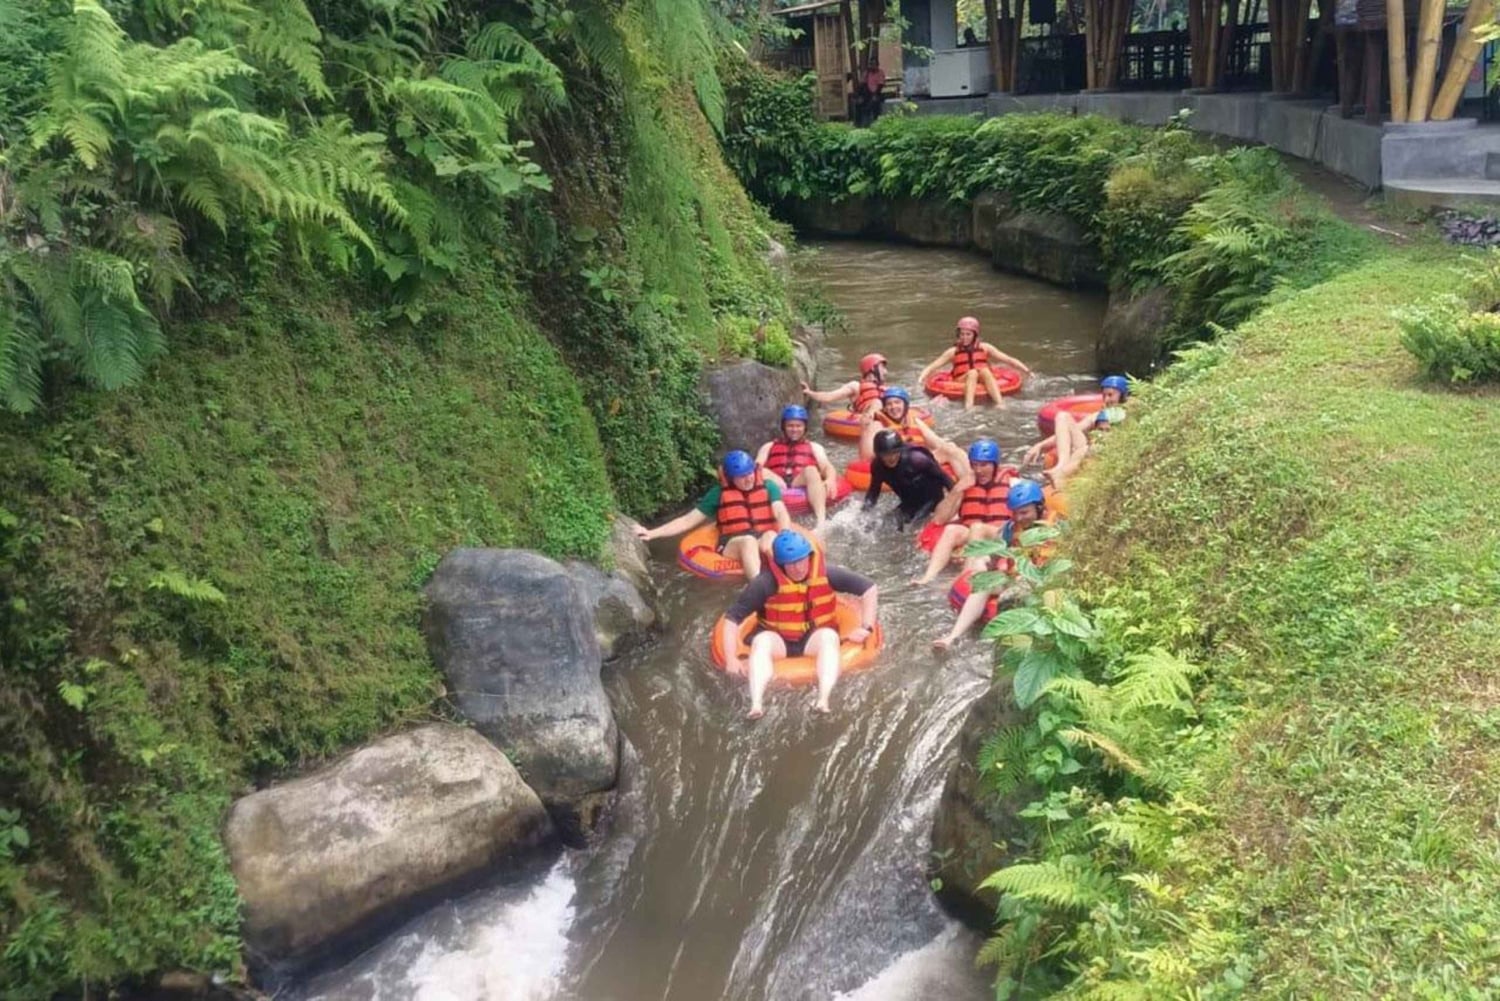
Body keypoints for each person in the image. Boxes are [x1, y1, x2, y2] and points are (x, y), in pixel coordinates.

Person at [719, 529, 879, 718]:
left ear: (809, 557)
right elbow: (732, 619)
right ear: (780, 564)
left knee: (829, 637)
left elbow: (870, 588)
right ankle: (756, 705)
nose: (798, 567)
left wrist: (866, 626)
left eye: (802, 560)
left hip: (813, 638)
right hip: (778, 640)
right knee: (761, 642)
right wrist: (731, 658)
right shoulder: (764, 583)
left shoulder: (827, 573)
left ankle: (823, 700)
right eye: (791, 563)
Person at [933, 479, 1052, 650]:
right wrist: (984, 569)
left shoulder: (1053, 530)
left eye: (1024, 512)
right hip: (1017, 578)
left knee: (1009, 596)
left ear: (1039, 508)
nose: (1019, 518)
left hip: (1042, 583)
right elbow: (994, 559)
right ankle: (952, 636)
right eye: (1016, 513)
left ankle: (1010, 645)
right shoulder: (1010, 529)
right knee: (984, 583)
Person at [635, 450, 791, 580]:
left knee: (771, 535)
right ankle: (758, 589)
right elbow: (687, 520)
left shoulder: (768, 486)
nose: (748, 479)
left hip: (762, 537)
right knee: (748, 541)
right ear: (731, 478)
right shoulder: (718, 494)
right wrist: (651, 533)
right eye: (742, 476)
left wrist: (785, 533)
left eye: (750, 473)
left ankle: (782, 579)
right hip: (733, 543)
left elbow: (780, 510)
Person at [910, 437, 1014, 586]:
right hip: (973, 534)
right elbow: (939, 520)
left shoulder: (1012, 483)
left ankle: (965, 576)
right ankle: (928, 577)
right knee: (952, 530)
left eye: (984, 465)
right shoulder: (966, 485)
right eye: (975, 465)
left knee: (978, 528)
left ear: (995, 465)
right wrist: (957, 489)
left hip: (999, 534)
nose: (978, 470)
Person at [1024, 376, 1129, 488]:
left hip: (1105, 454)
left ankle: (1062, 474)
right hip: (1089, 449)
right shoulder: (1098, 415)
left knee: (1088, 449)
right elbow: (1068, 433)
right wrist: (1040, 445)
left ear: (1122, 396)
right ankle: (1061, 466)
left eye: (1111, 395)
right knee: (1062, 417)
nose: (1106, 400)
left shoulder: (1130, 414)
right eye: (1104, 395)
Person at [917, 316, 1034, 410]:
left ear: (975, 335)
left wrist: (1026, 370)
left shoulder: (985, 347)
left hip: (981, 376)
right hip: (962, 378)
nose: (965, 337)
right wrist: (921, 377)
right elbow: (933, 365)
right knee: (973, 372)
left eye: (968, 334)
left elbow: (1008, 359)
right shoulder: (953, 351)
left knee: (983, 370)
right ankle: (969, 406)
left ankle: (1000, 403)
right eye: (962, 334)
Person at [755, 405, 840, 532]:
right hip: (778, 483)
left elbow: (827, 466)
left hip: (799, 480)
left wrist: (830, 479)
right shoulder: (769, 446)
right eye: (790, 425)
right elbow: (757, 466)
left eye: (798, 425)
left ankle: (821, 522)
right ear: (783, 427)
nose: (794, 429)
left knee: (811, 469)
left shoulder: (815, 447)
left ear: (805, 427)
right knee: (760, 470)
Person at [862, 429, 955, 530]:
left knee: (911, 526)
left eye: (895, 452)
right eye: (886, 454)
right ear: (879, 455)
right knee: (879, 526)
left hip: (932, 500)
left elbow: (944, 478)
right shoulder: (877, 467)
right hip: (909, 502)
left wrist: (954, 505)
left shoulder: (917, 459)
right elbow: (873, 491)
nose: (892, 458)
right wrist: (864, 513)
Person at [857, 386, 931, 460]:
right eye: (889, 404)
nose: (893, 406)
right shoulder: (877, 426)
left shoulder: (916, 422)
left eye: (897, 402)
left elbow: (937, 446)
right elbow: (866, 459)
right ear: (885, 408)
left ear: (905, 405)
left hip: (917, 462)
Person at [802, 352, 888, 416]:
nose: (886, 372)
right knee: (877, 403)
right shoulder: (855, 387)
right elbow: (829, 397)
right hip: (865, 420)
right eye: (882, 368)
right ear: (873, 368)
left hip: (884, 420)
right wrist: (810, 392)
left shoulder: (884, 388)